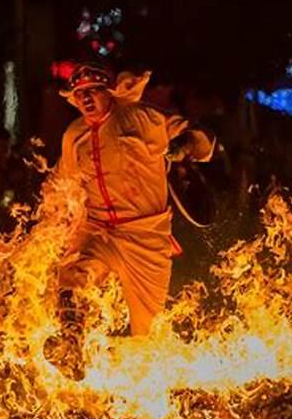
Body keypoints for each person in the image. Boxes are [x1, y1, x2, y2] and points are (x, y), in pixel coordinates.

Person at [43, 63, 215, 379]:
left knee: (149, 329)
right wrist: (49, 222)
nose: (86, 99)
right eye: (80, 94)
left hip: (145, 234)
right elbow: (61, 184)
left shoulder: (142, 117)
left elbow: (198, 137)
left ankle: (154, 384)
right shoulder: (74, 135)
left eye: (92, 91)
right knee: (70, 276)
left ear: (108, 92)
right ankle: (70, 345)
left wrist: (183, 147)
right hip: (97, 229)